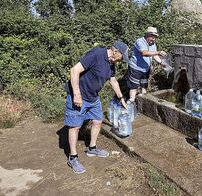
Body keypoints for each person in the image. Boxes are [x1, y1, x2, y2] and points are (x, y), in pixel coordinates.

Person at [64, 41, 129, 174]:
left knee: (97, 121)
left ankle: (92, 148)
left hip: (93, 97)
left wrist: (121, 98)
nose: (121, 60)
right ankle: (73, 157)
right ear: (115, 51)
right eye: (122, 57)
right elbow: (74, 70)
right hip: (79, 96)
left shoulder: (111, 63)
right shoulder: (96, 54)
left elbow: (113, 81)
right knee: (75, 126)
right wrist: (76, 94)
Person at [127, 26, 167, 101]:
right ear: (147, 35)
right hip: (136, 68)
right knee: (134, 87)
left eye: (155, 37)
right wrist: (158, 52)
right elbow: (144, 53)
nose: (154, 39)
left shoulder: (153, 44)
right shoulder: (139, 42)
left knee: (144, 86)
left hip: (146, 69)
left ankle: (143, 103)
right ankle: (131, 102)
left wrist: (161, 62)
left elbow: (154, 55)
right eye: (152, 37)